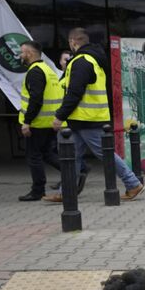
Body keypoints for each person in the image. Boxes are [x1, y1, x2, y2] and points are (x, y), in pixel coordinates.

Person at [44, 27, 144, 201]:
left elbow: (75, 92)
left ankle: (133, 183)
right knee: (72, 156)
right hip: (84, 118)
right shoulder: (91, 59)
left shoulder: (81, 62)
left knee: (105, 154)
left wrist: (60, 115)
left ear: (73, 42)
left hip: (87, 118)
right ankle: (65, 192)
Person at [17, 41, 63, 201]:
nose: (20, 56)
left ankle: (38, 191)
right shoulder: (47, 70)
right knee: (47, 154)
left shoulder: (35, 72)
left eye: (22, 52)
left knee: (34, 157)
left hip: (37, 123)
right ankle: (75, 171)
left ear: (30, 53)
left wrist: (27, 121)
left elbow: (36, 99)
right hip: (49, 121)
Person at [51, 49, 90, 192]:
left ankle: (67, 188)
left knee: (69, 157)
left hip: (68, 123)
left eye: (69, 59)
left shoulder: (74, 76)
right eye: (65, 60)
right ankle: (67, 188)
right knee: (70, 157)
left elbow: (72, 97)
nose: (67, 62)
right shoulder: (60, 77)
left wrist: (60, 117)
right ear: (60, 62)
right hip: (64, 122)